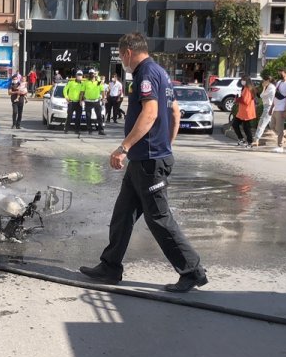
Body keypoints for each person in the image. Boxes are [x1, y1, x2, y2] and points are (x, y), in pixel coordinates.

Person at [79, 32, 206, 293]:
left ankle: (192, 271)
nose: (123, 61)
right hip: (145, 159)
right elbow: (175, 112)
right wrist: (166, 145)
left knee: (158, 218)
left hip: (148, 160)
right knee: (123, 214)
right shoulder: (161, 72)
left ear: (127, 52)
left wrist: (124, 147)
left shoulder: (146, 73)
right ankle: (110, 266)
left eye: (122, 56)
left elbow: (151, 112)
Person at [270, 69, 286, 153]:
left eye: (281, 72)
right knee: (271, 126)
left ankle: (280, 146)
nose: (279, 74)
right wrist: (271, 108)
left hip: (282, 108)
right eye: (278, 72)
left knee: (279, 128)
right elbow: (275, 95)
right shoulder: (279, 82)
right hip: (276, 108)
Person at [231, 74, 256, 148]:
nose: (242, 81)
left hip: (246, 112)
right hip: (242, 112)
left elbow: (245, 101)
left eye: (243, 79)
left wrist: (237, 100)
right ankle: (241, 139)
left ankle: (250, 142)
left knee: (246, 128)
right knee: (235, 124)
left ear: (246, 81)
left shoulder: (248, 89)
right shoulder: (245, 88)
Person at [252, 75, 275, 146]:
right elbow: (262, 95)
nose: (263, 82)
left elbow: (262, 96)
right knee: (272, 126)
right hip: (266, 107)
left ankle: (256, 140)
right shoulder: (268, 87)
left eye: (264, 81)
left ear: (268, 80)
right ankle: (284, 135)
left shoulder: (271, 87)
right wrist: (264, 87)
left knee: (262, 123)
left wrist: (264, 87)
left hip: (269, 107)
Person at [84, 69, 106, 135]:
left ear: (94, 74)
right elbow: (82, 91)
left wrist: (103, 98)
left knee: (99, 116)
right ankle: (89, 130)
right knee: (88, 116)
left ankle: (101, 130)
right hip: (88, 101)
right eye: (90, 73)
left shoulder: (98, 82)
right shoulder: (86, 82)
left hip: (96, 101)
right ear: (89, 74)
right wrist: (81, 99)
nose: (91, 75)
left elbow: (102, 91)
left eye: (92, 73)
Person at [63, 70, 85, 135]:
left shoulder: (83, 84)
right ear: (76, 75)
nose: (79, 76)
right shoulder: (71, 82)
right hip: (71, 102)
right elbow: (65, 89)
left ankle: (77, 130)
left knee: (78, 117)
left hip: (79, 103)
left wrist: (83, 100)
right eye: (78, 75)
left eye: (80, 75)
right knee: (69, 116)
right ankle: (66, 129)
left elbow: (85, 92)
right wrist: (66, 97)